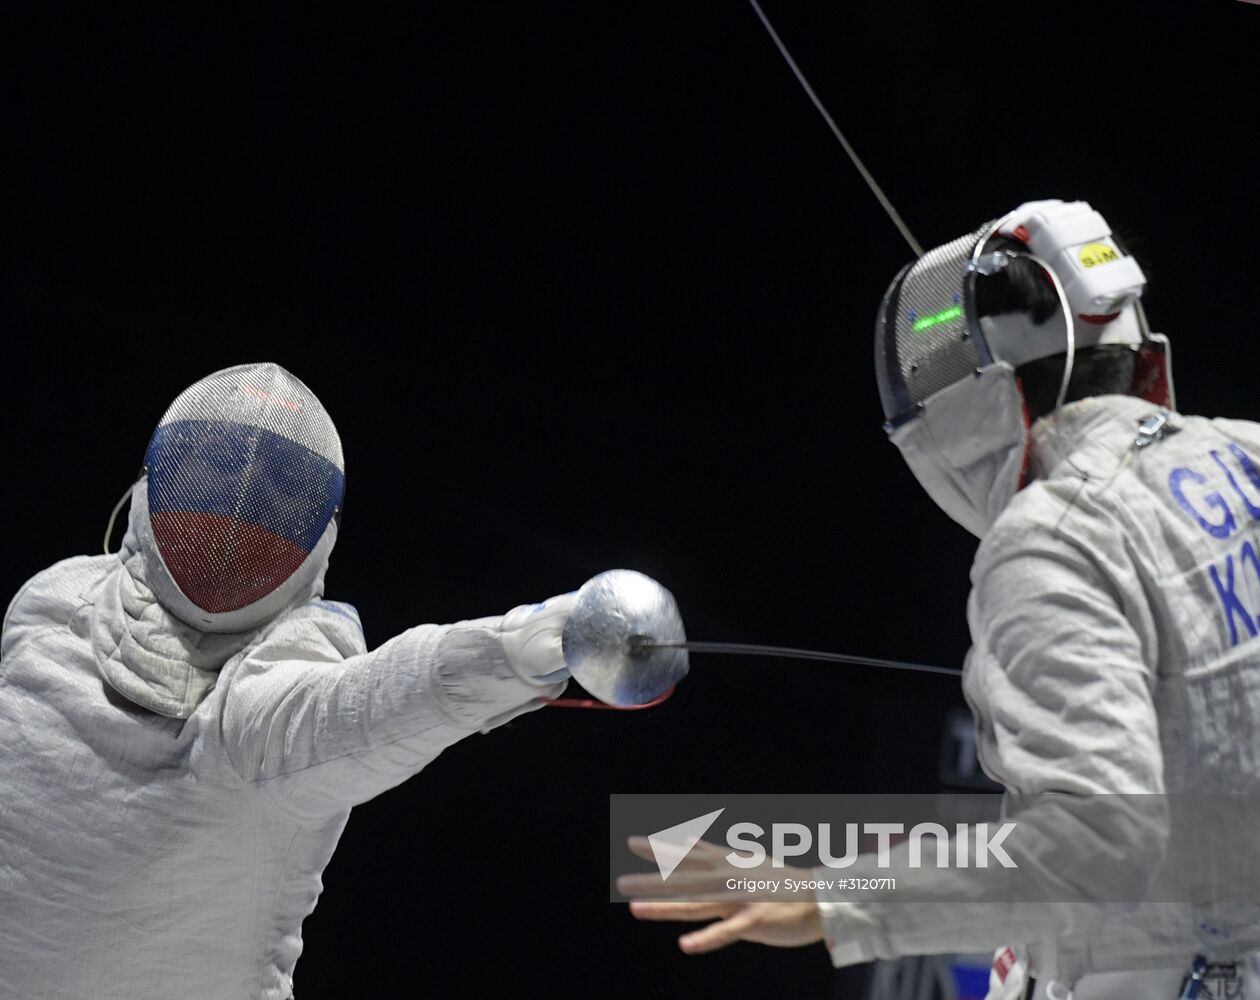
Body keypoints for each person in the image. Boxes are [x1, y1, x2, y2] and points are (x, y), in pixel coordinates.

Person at [623, 199, 1260, 998]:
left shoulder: (1054, 537)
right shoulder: (1247, 454)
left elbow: (1100, 845)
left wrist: (831, 897)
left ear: (978, 395)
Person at [0, 362, 579, 1000]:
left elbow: (376, 700)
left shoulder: (52, 604)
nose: (233, 525)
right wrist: (521, 651)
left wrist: (512, 653)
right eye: (217, 479)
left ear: (144, 488)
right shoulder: (247, 717)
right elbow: (375, 706)